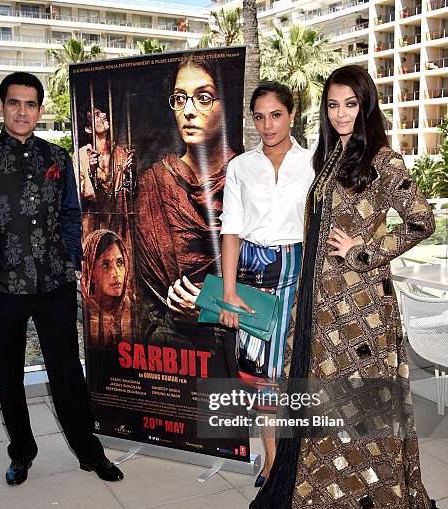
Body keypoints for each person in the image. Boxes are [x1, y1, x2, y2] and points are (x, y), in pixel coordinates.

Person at [249, 65, 438, 509]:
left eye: (350, 104)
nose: (341, 114)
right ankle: (321, 503)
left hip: (361, 314)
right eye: (332, 105)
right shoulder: (331, 157)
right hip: (322, 310)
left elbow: (422, 220)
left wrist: (364, 251)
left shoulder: (382, 160)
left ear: (367, 105)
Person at [0, 72, 123, 486]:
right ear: (1, 107)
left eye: (30, 104)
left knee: (66, 371)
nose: (22, 111)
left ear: (40, 110)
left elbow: (70, 216)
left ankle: (89, 452)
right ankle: (22, 454)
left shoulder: (58, 159)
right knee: (9, 375)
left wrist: (71, 263)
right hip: (1, 288)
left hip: (54, 286)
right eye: (14, 103)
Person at [219, 82, 314, 487]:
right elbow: (231, 231)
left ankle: (300, 460)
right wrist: (227, 292)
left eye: (276, 114)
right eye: (259, 116)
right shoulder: (241, 166)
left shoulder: (314, 163)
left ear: (291, 114)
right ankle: (272, 461)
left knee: (293, 370)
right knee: (260, 374)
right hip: (253, 272)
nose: (267, 125)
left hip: (300, 270)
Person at [135, 55, 239, 342]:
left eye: (203, 98)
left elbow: (267, 271)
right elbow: (145, 292)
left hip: (238, 341)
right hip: (170, 347)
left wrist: (211, 305)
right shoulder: (153, 184)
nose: (188, 111)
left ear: (225, 105)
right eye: (180, 99)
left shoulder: (247, 177)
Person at [75, 105, 135, 238]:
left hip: (118, 226)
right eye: (97, 114)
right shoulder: (81, 156)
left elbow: (130, 194)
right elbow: (79, 195)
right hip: (93, 225)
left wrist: (128, 173)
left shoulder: (120, 153)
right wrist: (92, 173)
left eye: (102, 111)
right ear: (88, 129)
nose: (104, 114)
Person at [81, 228, 133, 347]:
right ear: (91, 272)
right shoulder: (85, 313)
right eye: (106, 265)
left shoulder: (138, 313)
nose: (116, 273)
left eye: (120, 263)